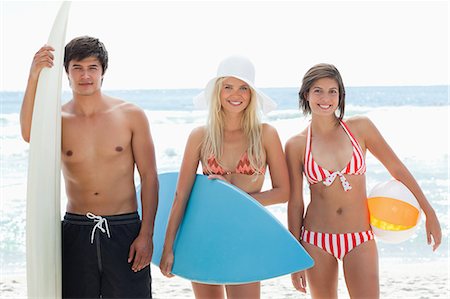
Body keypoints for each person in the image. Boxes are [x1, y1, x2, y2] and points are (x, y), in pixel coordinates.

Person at [285, 63, 442, 298]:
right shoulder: (296, 145)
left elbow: (397, 169)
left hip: (359, 236)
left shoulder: (360, 128)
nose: (325, 98)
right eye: (318, 90)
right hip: (315, 239)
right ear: (306, 94)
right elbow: (295, 203)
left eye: (332, 91)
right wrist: (294, 257)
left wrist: (430, 212)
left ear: (341, 95)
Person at [20, 36, 158, 298]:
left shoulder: (131, 115)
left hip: (124, 228)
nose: (85, 75)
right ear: (67, 73)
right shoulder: (58, 119)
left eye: (92, 68)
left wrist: (146, 234)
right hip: (76, 230)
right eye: (77, 68)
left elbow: (149, 177)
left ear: (103, 72)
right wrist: (34, 76)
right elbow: (29, 133)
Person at [159, 55, 290, 298]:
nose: (235, 94)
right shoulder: (200, 136)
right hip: (203, 233)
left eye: (243, 88)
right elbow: (181, 195)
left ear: (251, 94)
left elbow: (283, 192)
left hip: (245, 234)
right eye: (228, 87)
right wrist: (168, 247)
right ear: (218, 92)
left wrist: (237, 199)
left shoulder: (266, 134)